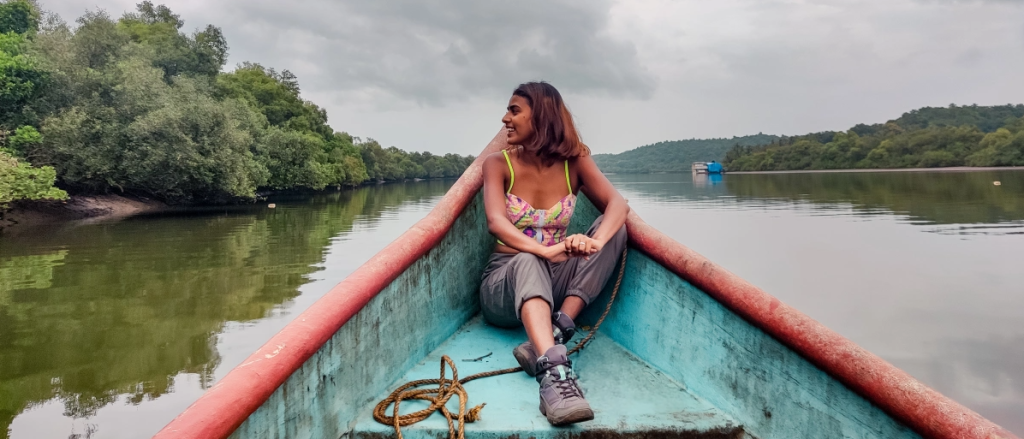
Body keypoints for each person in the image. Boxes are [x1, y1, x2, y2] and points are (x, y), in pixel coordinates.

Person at [478, 82, 629, 426]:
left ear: (542, 116)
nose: (505, 119)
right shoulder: (497, 164)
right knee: (529, 259)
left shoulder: (574, 163)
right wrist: (546, 250)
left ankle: (559, 328)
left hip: (554, 282)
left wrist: (592, 242)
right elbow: (497, 224)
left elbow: (619, 204)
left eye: (514, 110)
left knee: (615, 226)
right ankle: (554, 375)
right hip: (503, 287)